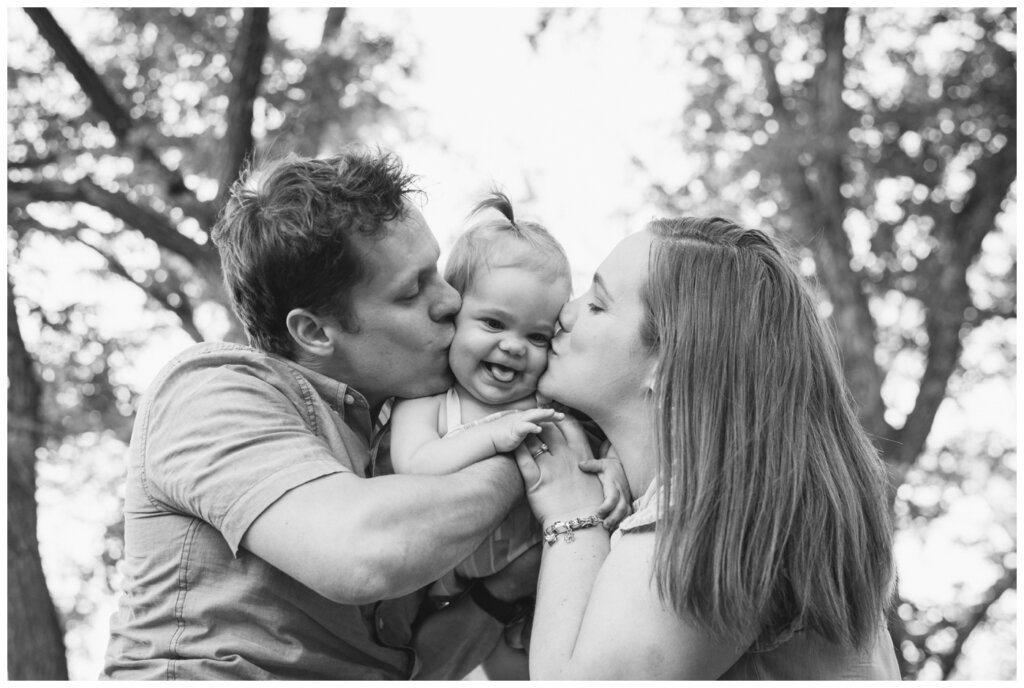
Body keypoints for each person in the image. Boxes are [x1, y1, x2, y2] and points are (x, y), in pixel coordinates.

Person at [102, 150, 538, 680]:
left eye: (437, 271)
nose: (450, 301)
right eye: (412, 290)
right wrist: (530, 452)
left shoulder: (409, 437)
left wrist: (504, 590)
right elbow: (364, 556)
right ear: (314, 331)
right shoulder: (210, 390)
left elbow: (410, 670)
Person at [512, 217, 900, 679]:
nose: (566, 313)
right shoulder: (750, 496)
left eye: (597, 305)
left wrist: (571, 516)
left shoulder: (716, 514)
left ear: (670, 361)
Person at [389, 192, 632, 677]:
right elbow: (415, 464)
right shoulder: (428, 401)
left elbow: (597, 447)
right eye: (494, 323)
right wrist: (494, 434)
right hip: (451, 591)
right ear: (453, 316)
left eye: (538, 336)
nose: (514, 347)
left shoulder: (549, 400)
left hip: (550, 580)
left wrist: (615, 470)